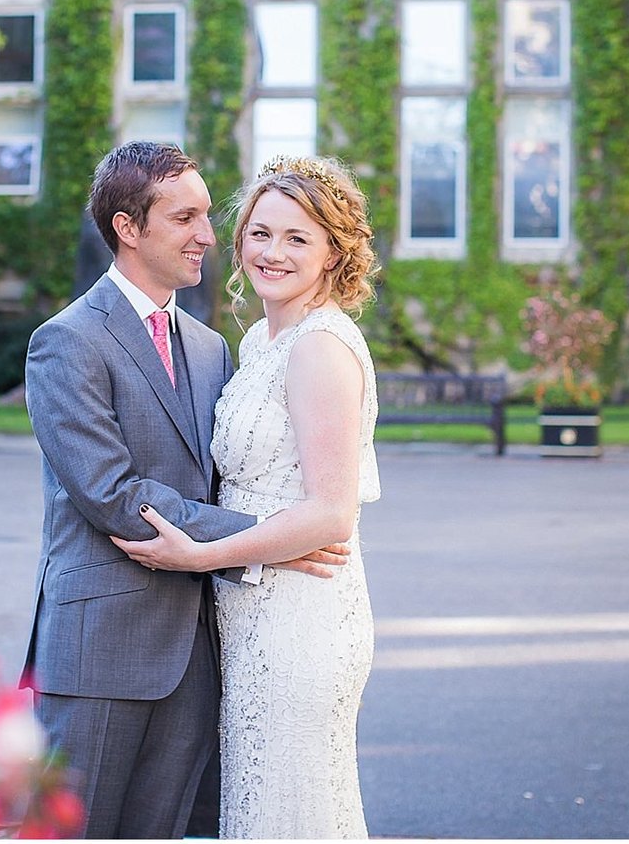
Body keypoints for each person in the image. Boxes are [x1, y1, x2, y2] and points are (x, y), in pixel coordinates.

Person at [20, 141, 348, 839]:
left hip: (199, 656)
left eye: (206, 215)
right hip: (101, 650)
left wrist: (273, 537)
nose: (208, 234)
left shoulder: (210, 347)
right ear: (128, 227)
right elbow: (112, 494)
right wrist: (263, 545)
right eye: (186, 217)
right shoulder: (66, 341)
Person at [112, 154, 382, 838]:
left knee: (295, 808)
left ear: (332, 252)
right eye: (261, 233)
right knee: (260, 805)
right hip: (253, 610)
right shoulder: (262, 338)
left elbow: (330, 510)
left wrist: (202, 555)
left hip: (303, 616)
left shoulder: (320, 345)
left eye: (298, 237)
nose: (273, 251)